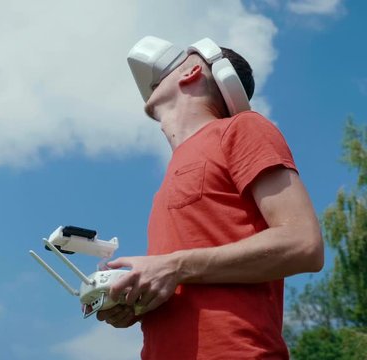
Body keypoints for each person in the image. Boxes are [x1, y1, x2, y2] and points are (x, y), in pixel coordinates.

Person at [96, 40, 324, 359]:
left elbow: (304, 244)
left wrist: (175, 266)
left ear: (191, 71)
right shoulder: (167, 182)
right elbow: (184, 279)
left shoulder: (243, 128)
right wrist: (136, 300)